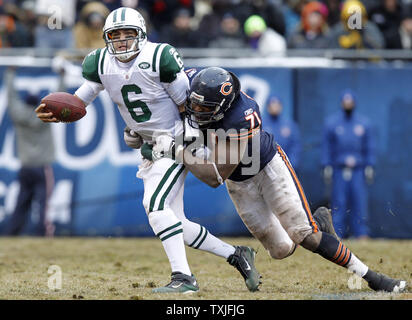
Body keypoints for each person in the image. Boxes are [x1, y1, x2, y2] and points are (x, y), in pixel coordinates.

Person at [35, 7, 260, 294]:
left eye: (128, 34)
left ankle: (184, 278)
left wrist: (186, 143)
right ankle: (236, 255)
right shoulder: (100, 62)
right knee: (176, 222)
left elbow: (185, 106)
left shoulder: (158, 57)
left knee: (155, 208)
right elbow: (80, 101)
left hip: (175, 141)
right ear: (106, 38)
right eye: (115, 36)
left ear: (141, 34)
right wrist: (58, 112)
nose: (121, 41)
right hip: (152, 145)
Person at [146, 67, 406, 293]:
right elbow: (160, 97)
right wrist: (140, 130)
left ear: (223, 107)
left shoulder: (240, 118)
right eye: (196, 104)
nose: (196, 111)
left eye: (205, 109)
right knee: (280, 250)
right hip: (239, 182)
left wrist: (175, 149)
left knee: (305, 236)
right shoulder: (191, 82)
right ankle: (318, 224)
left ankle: (374, 278)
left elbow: (213, 177)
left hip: (266, 167)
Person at [4, 68, 55, 236]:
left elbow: (11, 98)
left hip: (25, 166)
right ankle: (42, 233)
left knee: (21, 203)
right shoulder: (45, 116)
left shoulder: (19, 115)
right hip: (41, 167)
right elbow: (60, 102)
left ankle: (13, 232)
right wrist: (62, 77)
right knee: (43, 205)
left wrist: (10, 75)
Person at [322, 90, 375, 239]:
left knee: (359, 202)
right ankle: (337, 233)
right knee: (338, 202)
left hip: (358, 170)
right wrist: (326, 165)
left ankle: (361, 232)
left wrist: (369, 165)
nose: (348, 105)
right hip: (339, 170)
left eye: (350, 102)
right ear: (341, 103)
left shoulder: (363, 123)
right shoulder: (332, 123)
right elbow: (327, 147)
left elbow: (369, 147)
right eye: (345, 102)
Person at [264, 96, 301, 169]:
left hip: (286, 167)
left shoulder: (290, 125)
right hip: (266, 168)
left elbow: (296, 146)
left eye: (278, 104)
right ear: (268, 107)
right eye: (273, 104)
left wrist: (291, 165)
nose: (275, 107)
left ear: (281, 107)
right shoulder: (261, 124)